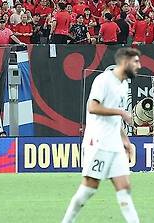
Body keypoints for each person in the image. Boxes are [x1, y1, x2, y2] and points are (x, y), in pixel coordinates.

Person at [61, 48, 142, 223]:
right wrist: (121, 112)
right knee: (89, 188)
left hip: (114, 144)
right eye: (135, 62)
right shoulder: (103, 80)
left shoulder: (124, 84)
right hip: (97, 141)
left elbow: (113, 118)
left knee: (124, 187)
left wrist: (125, 140)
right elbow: (93, 107)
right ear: (124, 62)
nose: (139, 66)